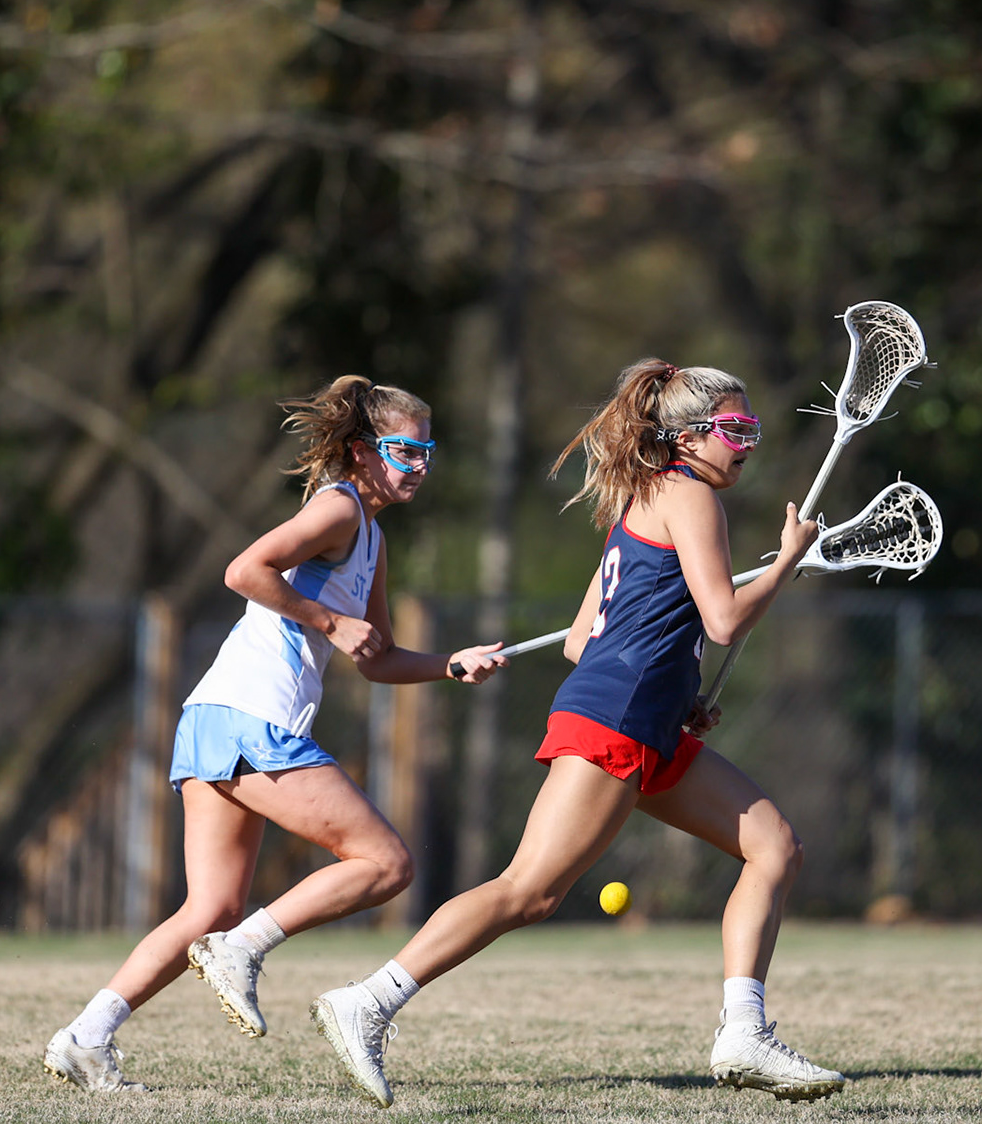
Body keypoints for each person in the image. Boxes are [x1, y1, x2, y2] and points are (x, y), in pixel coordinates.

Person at [310, 359, 846, 1106]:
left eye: (751, 427)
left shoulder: (647, 494)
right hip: (618, 717)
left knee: (773, 846)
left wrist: (678, 689)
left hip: (645, 717)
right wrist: (788, 560)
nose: (746, 443)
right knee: (527, 891)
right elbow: (723, 619)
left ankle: (743, 1033)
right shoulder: (690, 496)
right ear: (689, 438)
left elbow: (583, 638)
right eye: (734, 429)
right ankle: (368, 1000)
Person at [42, 376, 507, 1092]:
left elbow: (376, 658)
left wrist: (451, 664)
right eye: (404, 451)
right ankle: (244, 949)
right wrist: (327, 621)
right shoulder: (338, 507)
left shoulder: (372, 539)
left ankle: (86, 1037)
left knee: (210, 908)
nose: (418, 465)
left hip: (219, 716)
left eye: (427, 452)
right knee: (385, 864)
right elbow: (243, 570)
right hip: (251, 718)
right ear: (362, 451)